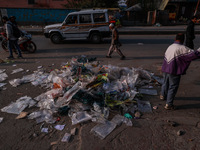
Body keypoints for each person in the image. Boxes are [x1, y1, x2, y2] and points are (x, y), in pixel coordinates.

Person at [160, 33, 200, 110]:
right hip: (174, 70)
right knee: (173, 86)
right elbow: (194, 55)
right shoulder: (182, 48)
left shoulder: (170, 46)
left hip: (165, 68)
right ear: (183, 39)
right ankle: (169, 104)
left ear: (175, 38)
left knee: (165, 82)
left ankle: (163, 95)